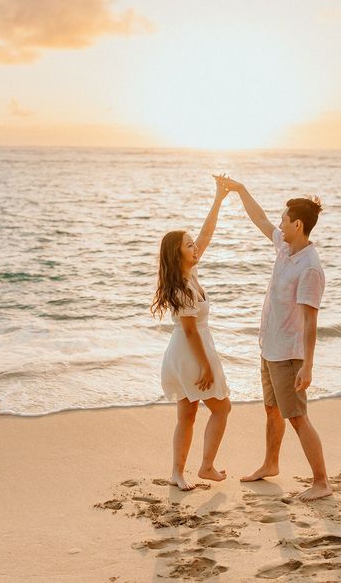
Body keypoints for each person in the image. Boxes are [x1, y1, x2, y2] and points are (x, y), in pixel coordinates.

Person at [220, 177, 332, 501]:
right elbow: (259, 219)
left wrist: (307, 366)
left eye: (284, 219)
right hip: (269, 348)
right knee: (271, 410)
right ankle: (270, 464)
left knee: (297, 417)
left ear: (298, 224)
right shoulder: (284, 247)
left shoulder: (310, 268)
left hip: (289, 355)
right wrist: (240, 190)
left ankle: (322, 482)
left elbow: (311, 322)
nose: (279, 223)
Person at [151, 177, 231, 491]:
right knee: (222, 408)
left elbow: (206, 234)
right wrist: (208, 367)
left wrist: (218, 199)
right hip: (192, 352)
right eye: (188, 245)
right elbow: (190, 332)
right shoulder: (183, 287)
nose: (195, 246)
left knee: (187, 414)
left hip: (182, 353)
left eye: (192, 243)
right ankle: (206, 466)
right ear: (177, 254)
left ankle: (178, 473)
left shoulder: (189, 272)